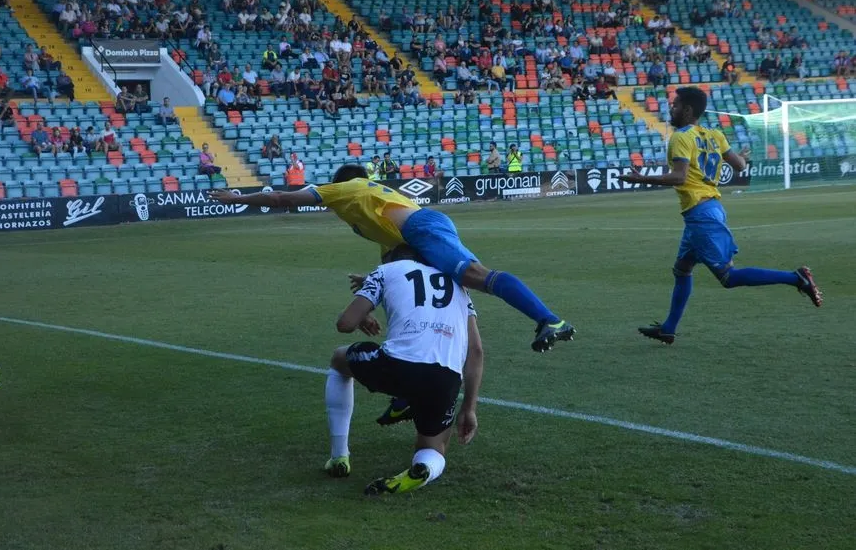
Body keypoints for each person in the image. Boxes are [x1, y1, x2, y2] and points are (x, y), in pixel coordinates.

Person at [208, 166, 574, 359]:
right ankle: (407, 394)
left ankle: (549, 319)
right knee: (443, 304)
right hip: (415, 236)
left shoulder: (348, 188)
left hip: (423, 228)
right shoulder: (365, 216)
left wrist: (236, 198)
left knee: (476, 276)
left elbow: (283, 199)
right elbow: (397, 265)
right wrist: (372, 290)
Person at [618, 87, 823, 344]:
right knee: (682, 270)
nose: (671, 109)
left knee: (728, 277)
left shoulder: (681, 137)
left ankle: (797, 278)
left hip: (702, 214)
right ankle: (668, 328)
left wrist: (641, 179)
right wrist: (743, 157)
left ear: (688, 110)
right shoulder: (715, 135)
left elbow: (679, 177)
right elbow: (739, 165)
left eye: (675, 105)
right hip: (706, 211)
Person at [324, 245, 482, 494]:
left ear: (389, 255)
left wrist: (364, 313)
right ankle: (424, 470)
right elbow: (476, 351)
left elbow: (345, 323)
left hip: (397, 366)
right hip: (446, 377)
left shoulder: (386, 270)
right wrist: (469, 408)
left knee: (339, 361)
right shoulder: (458, 286)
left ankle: (339, 456)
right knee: (433, 448)